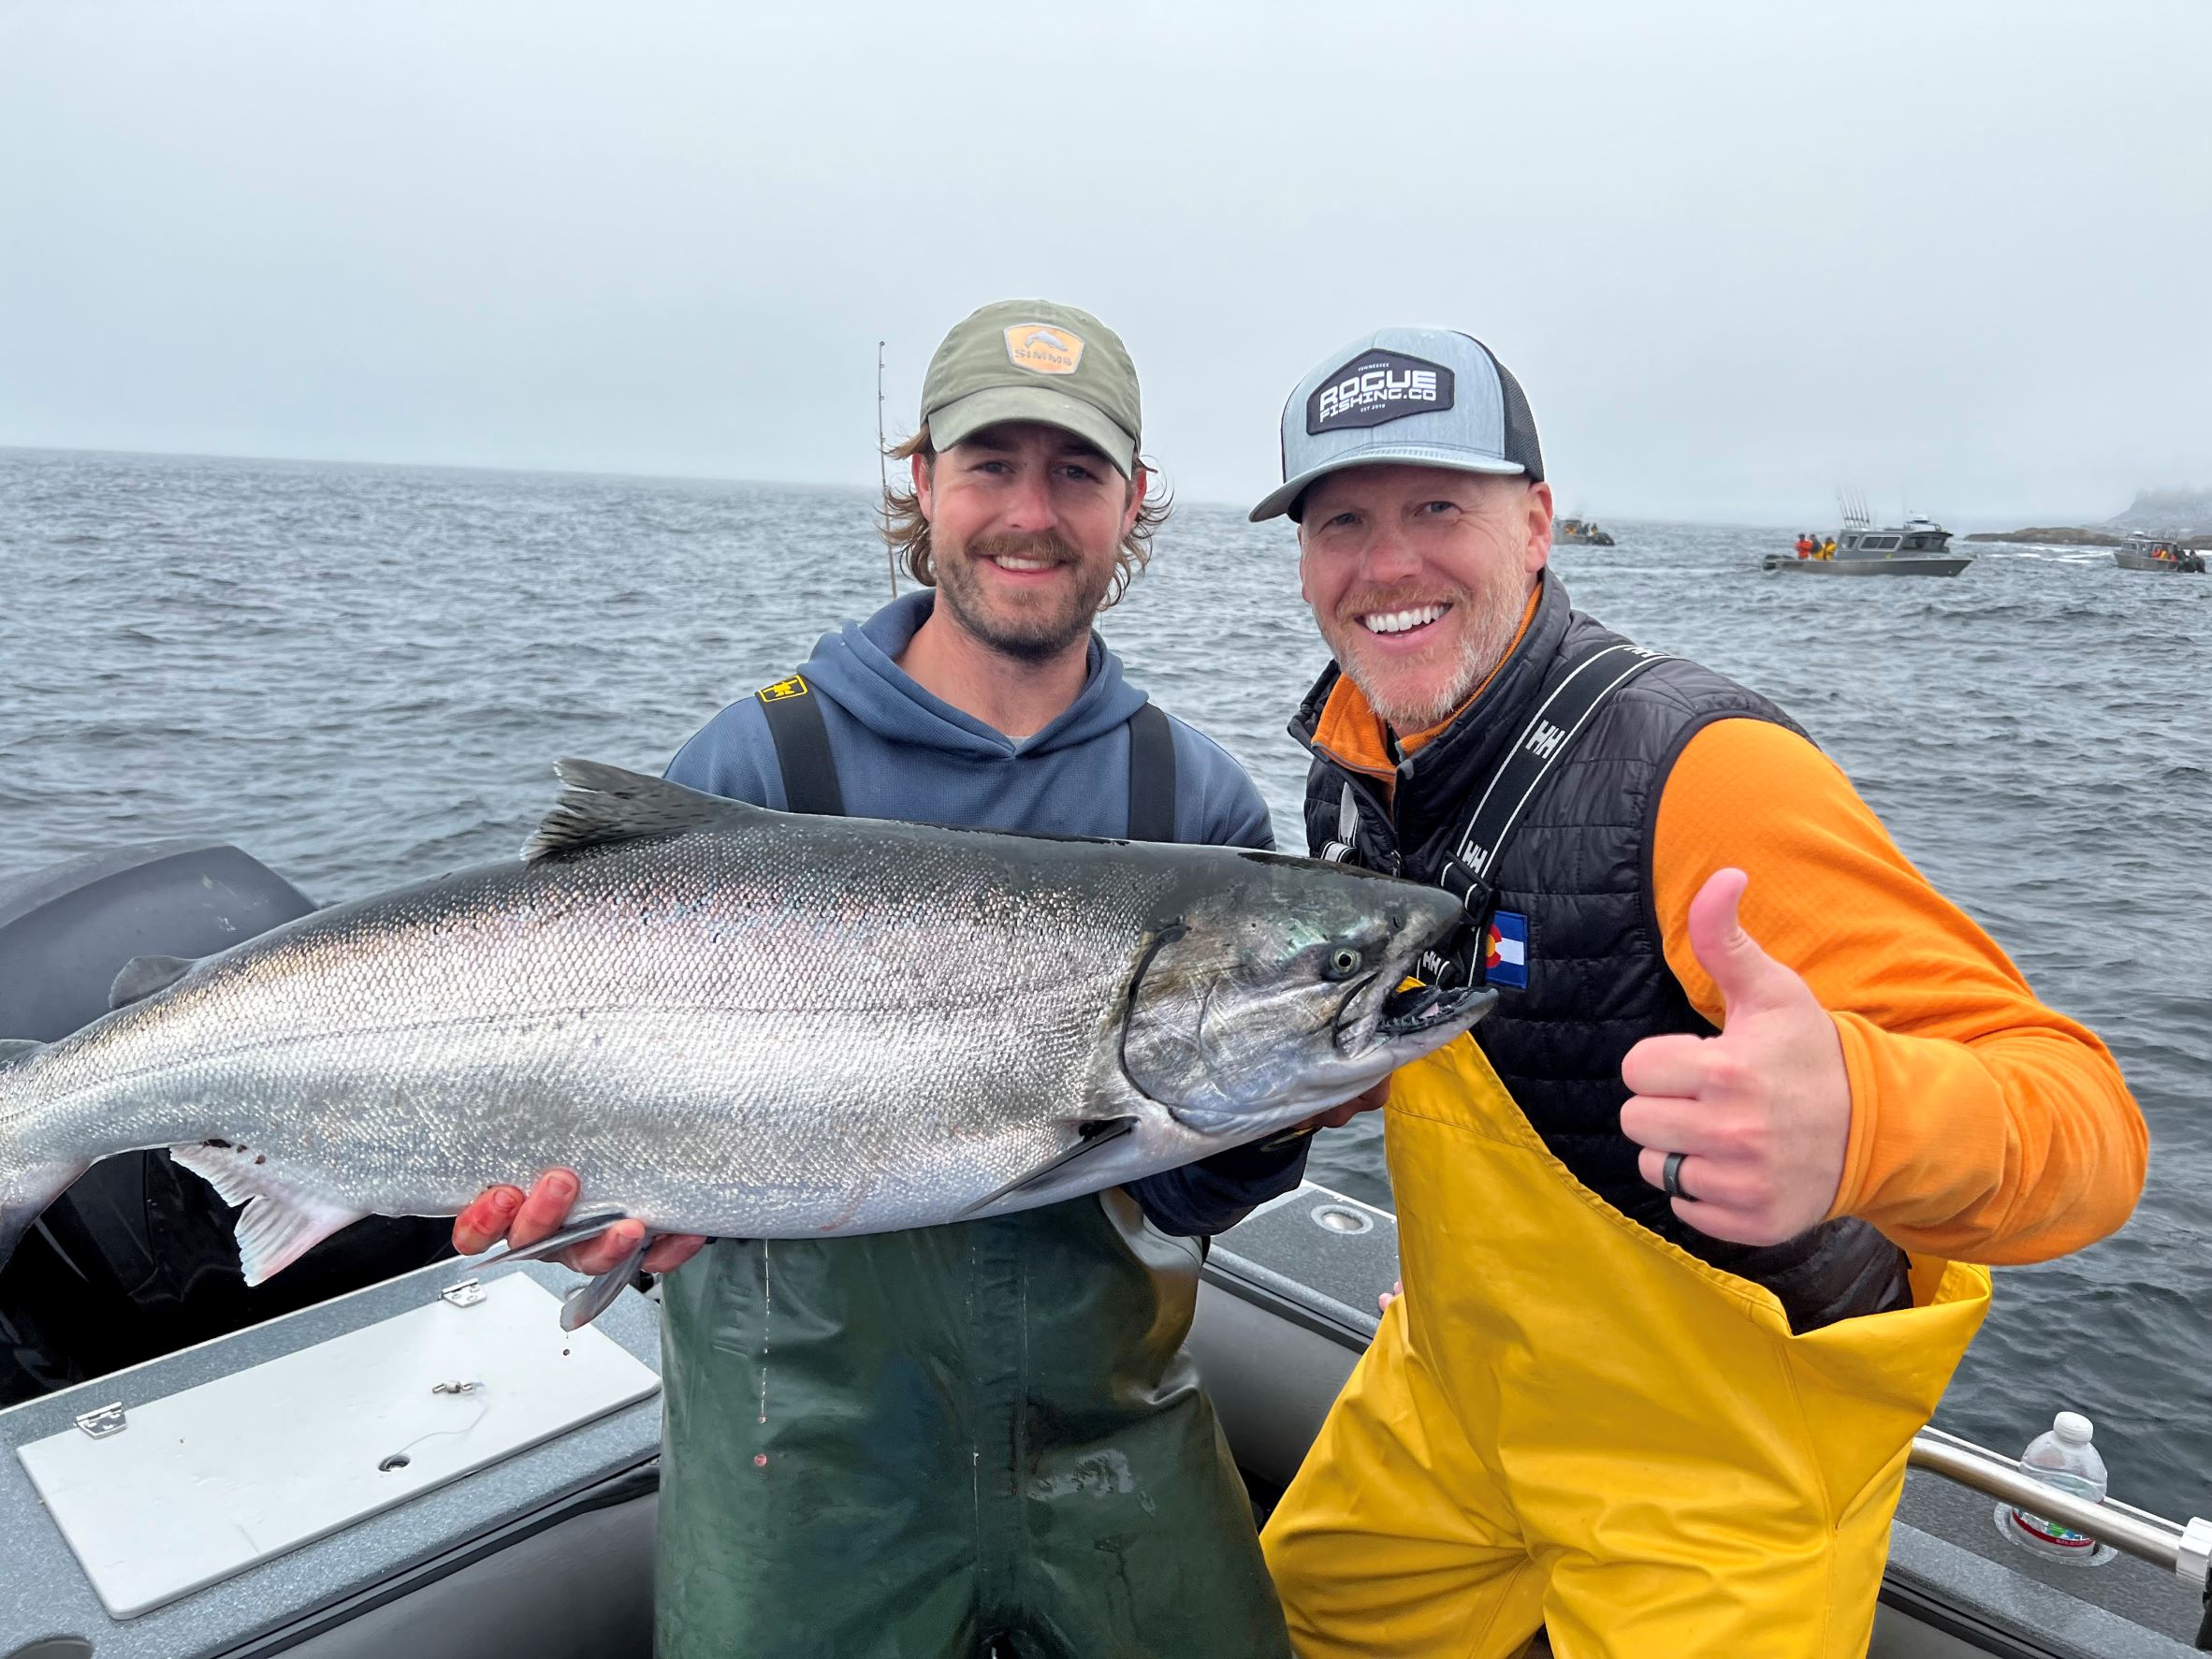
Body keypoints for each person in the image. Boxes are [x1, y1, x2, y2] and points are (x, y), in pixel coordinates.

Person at [1247, 327, 2147, 1657]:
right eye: (1342, 521)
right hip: (1449, 1398)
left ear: (1538, 522)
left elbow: (2093, 1124)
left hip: (1716, 1481)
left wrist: (1863, 1119)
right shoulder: (1356, 760)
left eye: (1439, 506)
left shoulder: (1702, 770)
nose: (1387, 563)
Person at [455, 299, 1327, 1658]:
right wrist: (599, 1213)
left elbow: (1184, 1179)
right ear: (921, 480)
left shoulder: (1193, 796)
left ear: (1133, 502)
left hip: (1111, 1430)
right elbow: (619, 1103)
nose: (1029, 513)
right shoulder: (760, 767)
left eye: (1077, 472)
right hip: (796, 1466)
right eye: (990, 466)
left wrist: (1284, 1111)